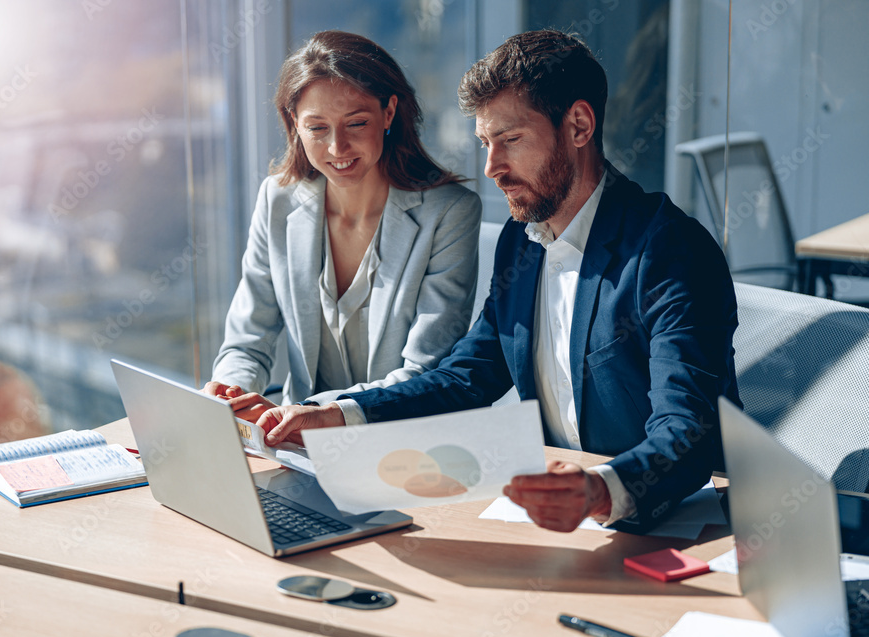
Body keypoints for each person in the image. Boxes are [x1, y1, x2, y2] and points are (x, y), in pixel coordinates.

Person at [257, 30, 741, 534]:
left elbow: (688, 433)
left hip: (679, 523)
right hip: (564, 519)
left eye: (510, 140)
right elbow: (466, 378)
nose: (491, 168)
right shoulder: (523, 240)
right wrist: (339, 414)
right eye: (486, 143)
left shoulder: (670, 251)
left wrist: (600, 490)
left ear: (578, 125)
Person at [205, 31, 482, 420]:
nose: (337, 148)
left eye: (355, 123)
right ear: (293, 123)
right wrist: (230, 393)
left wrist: (314, 413)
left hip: (398, 438)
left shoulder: (450, 212)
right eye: (317, 128)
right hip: (295, 442)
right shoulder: (277, 201)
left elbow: (425, 369)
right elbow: (247, 342)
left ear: (388, 113)